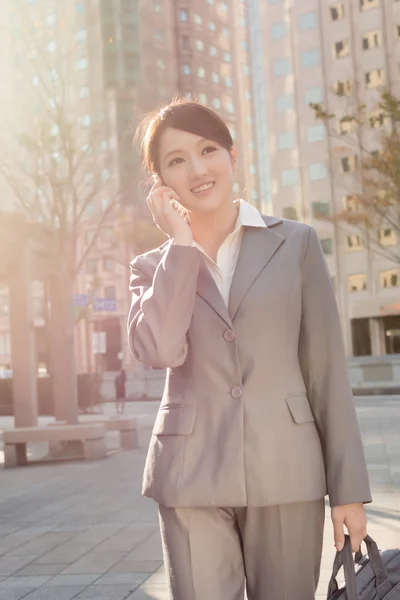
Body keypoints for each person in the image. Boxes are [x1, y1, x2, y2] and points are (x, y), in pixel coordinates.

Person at [127, 98, 372, 600]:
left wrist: (348, 491)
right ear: (159, 183)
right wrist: (180, 246)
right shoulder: (152, 267)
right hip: (189, 475)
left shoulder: (296, 244)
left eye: (208, 150)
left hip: (287, 470)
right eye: (176, 161)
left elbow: (325, 371)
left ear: (232, 156)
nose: (197, 170)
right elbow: (158, 350)